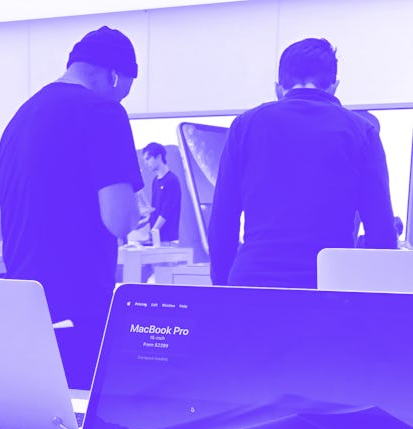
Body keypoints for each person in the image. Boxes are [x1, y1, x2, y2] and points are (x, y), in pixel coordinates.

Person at [0, 26, 143, 389]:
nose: (121, 99)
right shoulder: (104, 112)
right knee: (80, 426)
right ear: (113, 75)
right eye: (123, 91)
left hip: (26, 305)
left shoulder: (19, 118)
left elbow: (2, 223)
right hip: (81, 306)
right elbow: (120, 220)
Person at [209, 37, 397, 289]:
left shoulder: (245, 125)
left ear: (278, 87)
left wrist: (221, 287)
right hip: (327, 289)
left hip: (251, 286)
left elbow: (223, 219)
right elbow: (381, 230)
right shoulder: (362, 132)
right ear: (334, 86)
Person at [142, 142, 181, 243]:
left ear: (158, 157)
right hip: (156, 238)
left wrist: (153, 231)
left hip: (168, 239)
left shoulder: (172, 180)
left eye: (148, 159)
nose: (146, 163)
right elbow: (154, 210)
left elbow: (166, 211)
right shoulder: (155, 181)